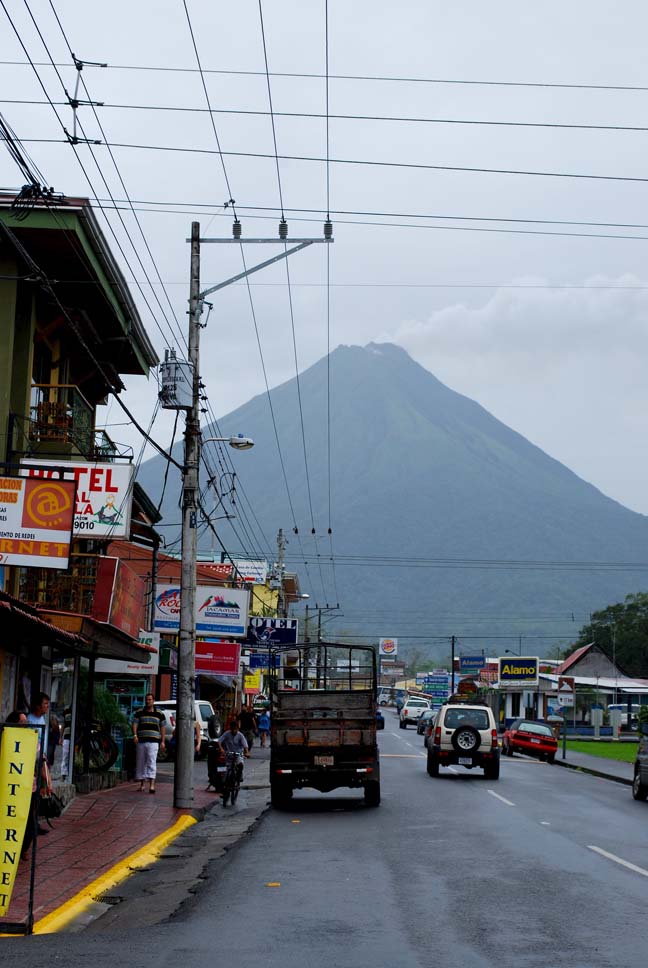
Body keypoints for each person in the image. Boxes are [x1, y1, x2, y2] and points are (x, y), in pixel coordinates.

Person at [6, 711, 51, 859]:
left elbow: (41, 761)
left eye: (26, 722)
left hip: (28, 788)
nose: (25, 725)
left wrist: (46, 782)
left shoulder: (32, 740)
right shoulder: (6, 739)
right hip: (9, 787)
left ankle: (23, 849)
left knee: (29, 822)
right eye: (22, 723)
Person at [132, 693, 165, 793]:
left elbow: (162, 727)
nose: (148, 701)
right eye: (146, 700)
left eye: (150, 699)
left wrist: (163, 741)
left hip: (154, 741)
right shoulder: (139, 712)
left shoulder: (159, 713)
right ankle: (142, 785)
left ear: (153, 701)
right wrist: (135, 735)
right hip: (141, 740)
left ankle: (152, 785)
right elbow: (135, 724)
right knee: (141, 762)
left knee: (151, 761)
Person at [218, 720, 250, 784]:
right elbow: (219, 741)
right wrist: (221, 749)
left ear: (238, 729)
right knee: (223, 771)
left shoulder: (240, 735)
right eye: (232, 729)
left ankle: (239, 775)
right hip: (228, 755)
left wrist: (247, 752)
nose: (234, 731)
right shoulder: (226, 734)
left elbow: (245, 745)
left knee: (240, 764)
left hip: (238, 755)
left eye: (235, 729)